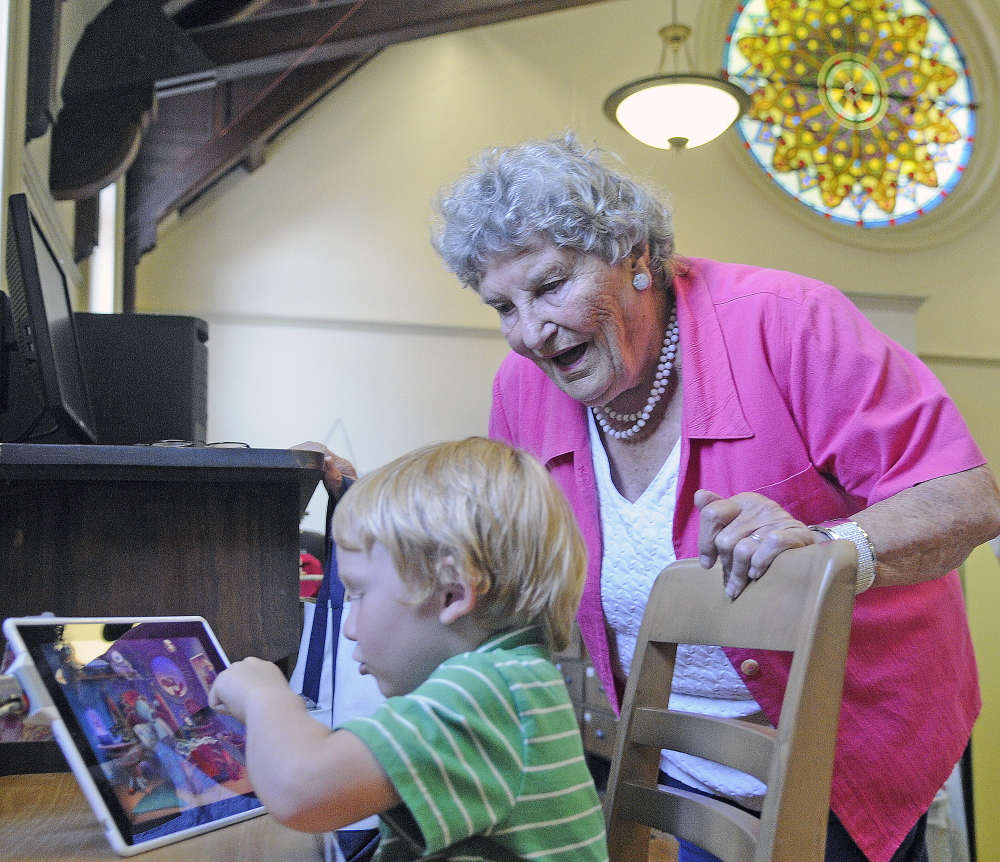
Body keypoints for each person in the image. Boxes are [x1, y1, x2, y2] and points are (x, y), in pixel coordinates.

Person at [427, 132, 1000, 862]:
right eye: (501, 305)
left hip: (853, 752)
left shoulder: (788, 320)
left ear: (633, 253)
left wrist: (826, 549)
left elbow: (967, 498)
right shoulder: (522, 391)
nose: (531, 332)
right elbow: (513, 579)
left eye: (549, 285)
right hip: (680, 772)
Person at [209, 437, 609, 862]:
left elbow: (299, 790)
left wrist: (265, 696)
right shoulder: (516, 678)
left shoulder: (488, 692)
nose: (347, 628)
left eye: (359, 594)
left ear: (452, 593)